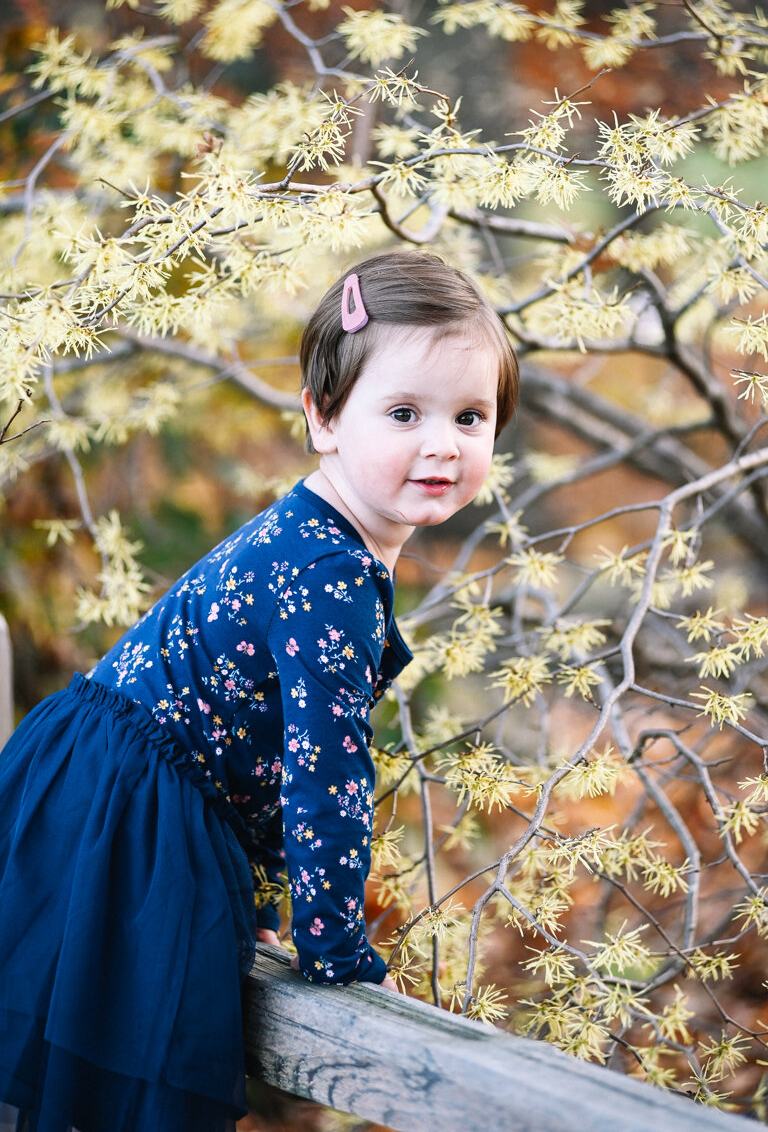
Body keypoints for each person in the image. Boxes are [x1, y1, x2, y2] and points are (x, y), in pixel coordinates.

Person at [0, 250, 519, 1132]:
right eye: (404, 412)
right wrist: (334, 947)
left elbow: (250, 741)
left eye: (471, 416)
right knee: (108, 1084)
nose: (443, 442)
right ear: (322, 418)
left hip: (99, 784)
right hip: (127, 816)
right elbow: (323, 775)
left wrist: (261, 904)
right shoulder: (329, 572)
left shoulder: (313, 533)